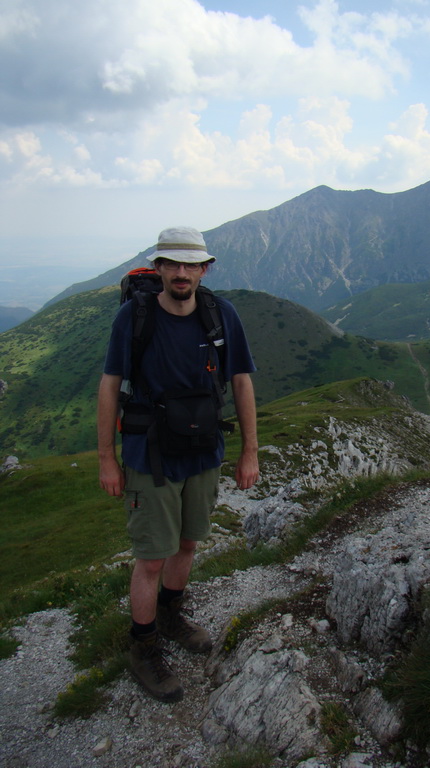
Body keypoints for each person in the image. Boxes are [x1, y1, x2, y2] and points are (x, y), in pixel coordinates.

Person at [97, 226, 259, 703]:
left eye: (192, 265)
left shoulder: (220, 314)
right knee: (151, 557)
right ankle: (143, 647)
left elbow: (242, 381)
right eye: (174, 264)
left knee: (187, 543)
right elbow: (110, 385)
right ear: (159, 268)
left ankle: (170, 616)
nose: (183, 273)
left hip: (204, 451)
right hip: (150, 454)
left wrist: (250, 451)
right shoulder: (135, 317)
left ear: (204, 269)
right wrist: (108, 458)